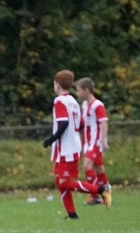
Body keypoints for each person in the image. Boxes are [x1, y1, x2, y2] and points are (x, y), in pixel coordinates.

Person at [42, 70, 111, 218]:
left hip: (65, 149)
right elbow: (80, 124)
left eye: (54, 83)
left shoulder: (59, 101)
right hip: (73, 147)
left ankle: (100, 190)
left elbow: (64, 123)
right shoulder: (73, 101)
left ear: (57, 85)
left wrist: (51, 139)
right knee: (60, 181)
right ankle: (72, 215)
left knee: (64, 183)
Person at [75, 77, 110, 206]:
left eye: (78, 90)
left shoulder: (97, 105)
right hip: (88, 143)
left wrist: (103, 140)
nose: (77, 93)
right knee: (99, 169)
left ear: (86, 90)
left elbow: (104, 122)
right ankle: (107, 197)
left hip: (96, 142)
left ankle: (94, 196)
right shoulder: (85, 105)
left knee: (87, 166)